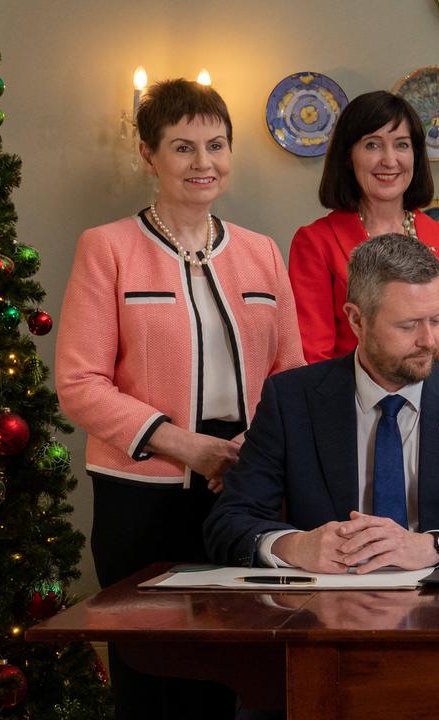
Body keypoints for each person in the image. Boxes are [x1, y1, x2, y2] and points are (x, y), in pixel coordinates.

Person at [55, 79, 304, 720]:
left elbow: (291, 372)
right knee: (151, 670)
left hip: (244, 489)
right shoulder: (106, 248)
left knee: (237, 671)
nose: (204, 163)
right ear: (149, 155)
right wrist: (185, 444)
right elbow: (80, 383)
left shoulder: (261, 252)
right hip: (141, 492)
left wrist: (256, 448)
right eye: (183, 147)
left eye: (216, 145)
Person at [206, 234, 439, 572]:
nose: (428, 340)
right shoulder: (291, 399)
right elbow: (228, 523)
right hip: (325, 607)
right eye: (408, 325)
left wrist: (435, 546)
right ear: (357, 320)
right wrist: (293, 546)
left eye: (437, 319)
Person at [289, 90, 439, 368]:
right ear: (348, 156)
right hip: (350, 405)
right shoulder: (316, 243)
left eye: (402, 145)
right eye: (372, 145)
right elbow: (314, 357)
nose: (390, 160)